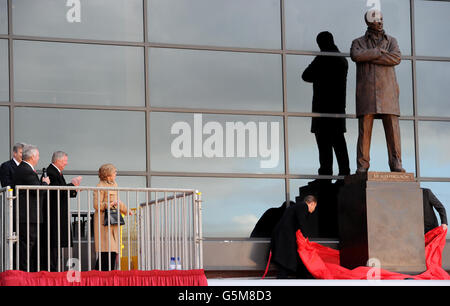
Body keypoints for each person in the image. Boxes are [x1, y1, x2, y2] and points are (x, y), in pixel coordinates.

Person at [350, 10, 405, 173]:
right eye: (376, 19)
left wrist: (370, 56)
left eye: (381, 19)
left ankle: (396, 163)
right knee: (365, 130)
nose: (380, 22)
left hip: (388, 92)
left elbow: (396, 58)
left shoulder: (392, 41)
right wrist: (379, 52)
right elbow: (356, 56)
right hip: (367, 91)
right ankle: (362, 165)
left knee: (393, 130)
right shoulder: (358, 42)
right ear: (368, 22)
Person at [302, 31, 350, 176]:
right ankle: (344, 173)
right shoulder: (341, 60)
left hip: (323, 109)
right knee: (338, 142)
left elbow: (306, 75)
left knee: (325, 146)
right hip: (337, 108)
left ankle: (326, 175)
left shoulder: (322, 59)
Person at [42, 151, 82, 271]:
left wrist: (73, 189)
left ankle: (54, 269)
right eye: (65, 161)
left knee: (56, 244)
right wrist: (72, 185)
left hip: (58, 213)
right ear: (58, 161)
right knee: (53, 244)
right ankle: (51, 270)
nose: (66, 163)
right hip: (53, 214)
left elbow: (62, 192)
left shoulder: (56, 172)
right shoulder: (51, 172)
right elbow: (56, 191)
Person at [12, 144, 50, 271]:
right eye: (38, 155)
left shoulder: (24, 169)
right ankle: (23, 272)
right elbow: (38, 190)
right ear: (32, 156)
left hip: (28, 215)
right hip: (27, 215)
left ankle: (25, 271)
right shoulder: (26, 170)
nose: (39, 158)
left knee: (28, 244)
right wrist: (45, 183)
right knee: (27, 244)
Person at [93, 163, 131, 271]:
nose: (116, 174)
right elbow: (96, 205)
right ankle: (99, 276)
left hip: (113, 221)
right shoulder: (99, 186)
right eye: (114, 172)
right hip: (103, 222)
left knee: (113, 251)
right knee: (106, 251)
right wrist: (108, 205)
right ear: (108, 174)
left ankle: (106, 276)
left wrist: (126, 210)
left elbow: (117, 201)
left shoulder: (114, 184)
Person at [270, 195, 317, 279]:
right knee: (287, 257)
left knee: (286, 258)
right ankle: (296, 276)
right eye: (315, 207)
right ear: (312, 203)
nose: (314, 210)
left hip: (282, 236)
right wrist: (305, 237)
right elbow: (301, 221)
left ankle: (294, 275)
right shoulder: (303, 206)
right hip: (285, 236)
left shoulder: (296, 207)